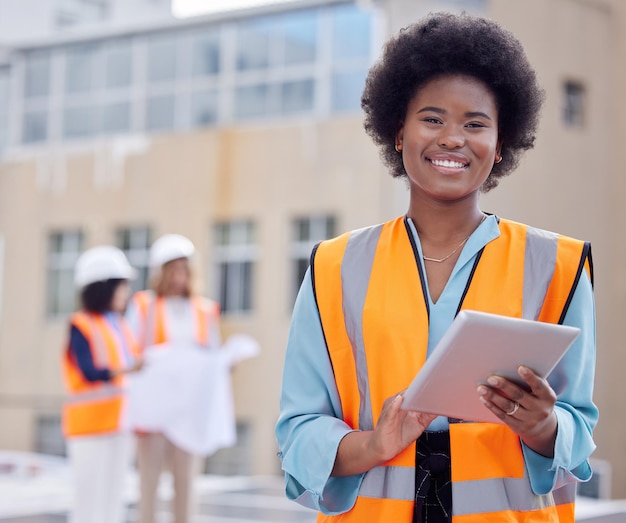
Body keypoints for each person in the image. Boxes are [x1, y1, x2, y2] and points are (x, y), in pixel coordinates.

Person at [275, 12, 597, 523]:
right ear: (397, 132)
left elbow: (578, 427)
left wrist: (543, 426)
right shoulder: (333, 267)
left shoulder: (557, 265)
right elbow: (297, 432)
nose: (453, 138)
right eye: (432, 119)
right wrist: (375, 443)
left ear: (500, 143)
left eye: (475, 124)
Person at [125, 233, 221, 523]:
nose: (179, 277)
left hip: (188, 411)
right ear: (161, 273)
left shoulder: (203, 310)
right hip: (154, 411)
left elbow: (213, 355)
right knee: (149, 484)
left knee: (186, 484)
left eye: (184, 269)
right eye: (173, 270)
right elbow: (130, 353)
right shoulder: (144, 305)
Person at [62, 245, 143, 523]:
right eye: (121, 286)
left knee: (113, 503)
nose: (126, 292)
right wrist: (127, 368)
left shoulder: (120, 325)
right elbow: (88, 371)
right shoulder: (81, 324)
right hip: (90, 427)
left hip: (120, 423)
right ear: (103, 287)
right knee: (88, 505)